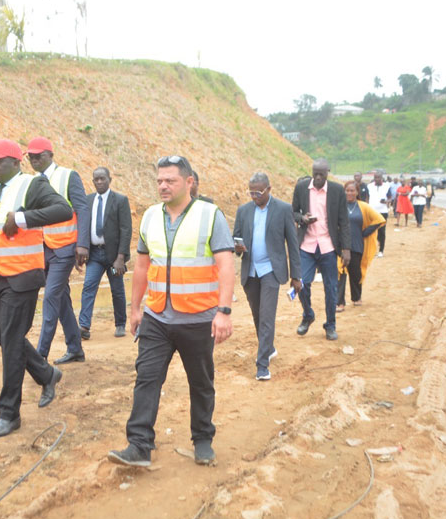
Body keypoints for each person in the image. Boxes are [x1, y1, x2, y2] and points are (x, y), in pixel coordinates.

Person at [108, 155, 234, 468]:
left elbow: (226, 265)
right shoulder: (150, 216)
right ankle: (139, 445)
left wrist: (224, 311)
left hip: (198, 318)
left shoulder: (210, 215)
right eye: (160, 181)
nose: (163, 186)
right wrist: (135, 308)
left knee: (201, 382)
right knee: (146, 378)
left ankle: (202, 438)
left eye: (171, 181)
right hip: (157, 318)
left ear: (189, 182)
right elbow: (141, 265)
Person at [0, 140, 73, 440]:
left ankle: (9, 414)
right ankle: (46, 373)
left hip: (22, 278)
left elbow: (63, 209)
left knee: (12, 343)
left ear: (16, 163)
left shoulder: (31, 185)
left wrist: (23, 218)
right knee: (3, 336)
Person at [25, 137, 91, 365]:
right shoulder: (33, 181)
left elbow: (82, 207)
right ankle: (75, 348)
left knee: (51, 296)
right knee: (61, 299)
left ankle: (40, 355)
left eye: (38, 156)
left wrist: (82, 244)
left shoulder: (67, 175)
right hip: (43, 248)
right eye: (30, 157)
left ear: (50, 155)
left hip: (65, 247)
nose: (34, 160)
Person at [233, 172, 302, 381]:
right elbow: (235, 237)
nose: (254, 196)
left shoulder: (282, 209)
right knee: (257, 315)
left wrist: (296, 275)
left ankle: (262, 364)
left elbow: (292, 243)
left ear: (269, 189)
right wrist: (238, 247)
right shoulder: (243, 211)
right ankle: (269, 347)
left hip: (271, 270)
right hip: (250, 269)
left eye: (258, 192)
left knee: (267, 316)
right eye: (251, 192)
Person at [292, 158, 350, 341]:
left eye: (321, 174)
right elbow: (292, 212)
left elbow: (344, 221)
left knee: (331, 287)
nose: (317, 178)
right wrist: (302, 218)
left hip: (328, 245)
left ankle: (330, 325)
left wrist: (346, 248)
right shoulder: (301, 188)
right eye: (315, 173)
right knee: (302, 283)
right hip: (307, 245)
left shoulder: (337, 190)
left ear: (327, 173)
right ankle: (308, 315)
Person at [78, 167, 132, 340]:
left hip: (115, 258)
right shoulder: (88, 200)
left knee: (117, 289)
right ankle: (84, 326)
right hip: (95, 255)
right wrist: (82, 247)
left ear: (110, 179)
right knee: (88, 287)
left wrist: (121, 258)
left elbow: (126, 230)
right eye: (96, 179)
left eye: (102, 178)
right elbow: (83, 226)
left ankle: (120, 324)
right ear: (93, 181)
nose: (99, 182)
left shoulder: (120, 200)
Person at [336, 180, 386, 311]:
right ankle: (339, 302)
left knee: (355, 273)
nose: (349, 193)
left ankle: (356, 297)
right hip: (341, 245)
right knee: (340, 272)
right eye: (347, 190)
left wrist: (365, 233)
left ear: (357, 192)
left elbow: (379, 219)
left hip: (357, 244)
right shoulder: (338, 206)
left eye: (352, 190)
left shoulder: (363, 206)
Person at [367, 171, 391, 258]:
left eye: (378, 177)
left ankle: (381, 250)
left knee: (382, 231)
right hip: (372, 212)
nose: (377, 179)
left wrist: (386, 201)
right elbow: (367, 198)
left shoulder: (386, 186)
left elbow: (390, 198)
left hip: (383, 212)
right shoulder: (369, 186)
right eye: (375, 177)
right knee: (372, 231)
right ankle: (373, 249)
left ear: (382, 178)